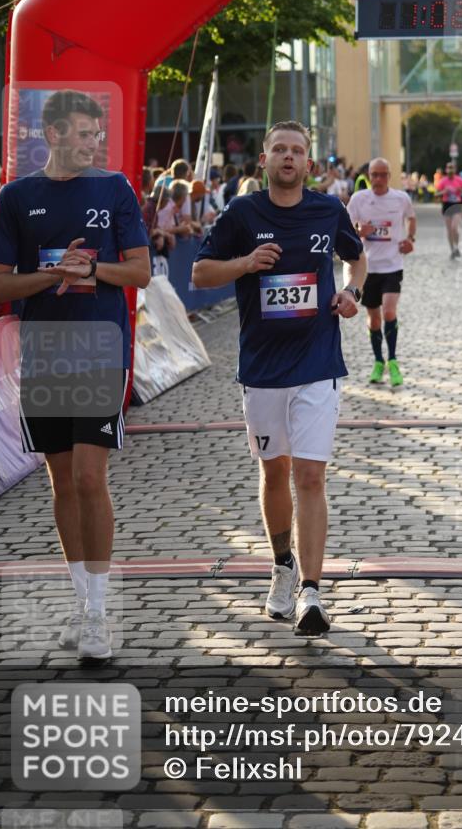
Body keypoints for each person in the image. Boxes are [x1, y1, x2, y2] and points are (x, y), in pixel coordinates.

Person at [0, 89, 150, 660]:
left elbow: (140, 272)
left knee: (87, 477)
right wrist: (54, 274)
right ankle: (82, 605)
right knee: (61, 484)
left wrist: (91, 269)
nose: (92, 143)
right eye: (82, 134)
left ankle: (99, 612)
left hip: (100, 347)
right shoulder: (15, 196)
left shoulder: (114, 188)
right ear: (52, 134)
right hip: (44, 351)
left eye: (96, 135)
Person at [192, 120, 366, 636]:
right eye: (279, 150)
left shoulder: (328, 209)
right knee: (274, 473)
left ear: (309, 163)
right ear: (264, 160)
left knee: (310, 476)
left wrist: (351, 293)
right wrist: (246, 263)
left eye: (297, 151)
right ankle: (282, 564)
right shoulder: (242, 213)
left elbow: (357, 259)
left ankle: (312, 592)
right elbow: (200, 273)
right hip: (263, 367)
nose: (288, 157)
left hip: (317, 364)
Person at [347, 157, 416, 387]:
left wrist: (410, 239)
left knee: (389, 311)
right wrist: (359, 231)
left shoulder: (401, 198)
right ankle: (378, 361)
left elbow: (411, 217)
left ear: (389, 176)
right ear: (369, 176)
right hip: (367, 268)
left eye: (382, 174)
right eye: (374, 175)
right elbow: (345, 228)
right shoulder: (359, 199)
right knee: (374, 318)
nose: (378, 179)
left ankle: (393, 361)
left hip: (393, 266)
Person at [435, 161, 462, 259]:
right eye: (449, 167)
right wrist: (444, 192)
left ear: (455, 169)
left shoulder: (460, 180)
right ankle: (452, 249)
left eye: (452, 167)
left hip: (457, 205)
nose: (450, 169)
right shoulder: (443, 181)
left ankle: (457, 246)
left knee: (454, 228)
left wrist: (461, 190)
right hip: (447, 205)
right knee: (449, 229)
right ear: (446, 169)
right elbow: (436, 194)